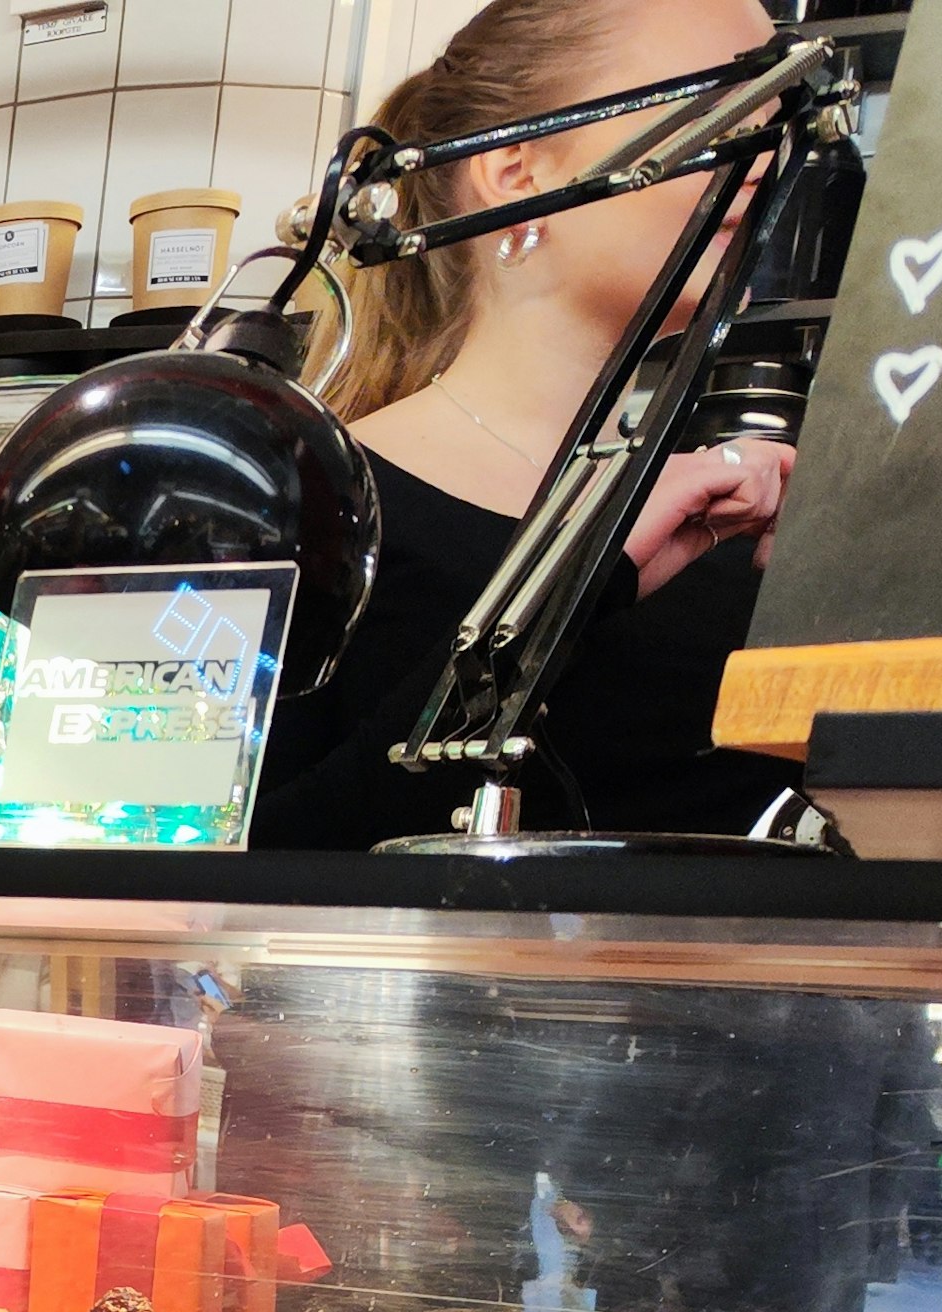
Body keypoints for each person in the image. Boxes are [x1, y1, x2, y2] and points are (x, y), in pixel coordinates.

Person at [254, 0, 803, 846]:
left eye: (774, 129)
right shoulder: (296, 500)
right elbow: (211, 891)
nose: (762, 164)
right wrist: (575, 584)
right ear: (517, 171)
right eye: (716, 110)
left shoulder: (731, 531)